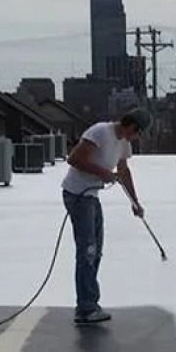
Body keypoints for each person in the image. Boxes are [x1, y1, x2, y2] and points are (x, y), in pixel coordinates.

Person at [61, 108, 149, 325]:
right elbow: (74, 159)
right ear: (132, 126)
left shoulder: (124, 144)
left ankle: (88, 303)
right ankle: (86, 308)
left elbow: (124, 172)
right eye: (139, 133)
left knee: (96, 251)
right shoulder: (100, 132)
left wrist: (135, 202)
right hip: (77, 194)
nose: (137, 138)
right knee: (87, 251)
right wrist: (103, 173)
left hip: (91, 196)